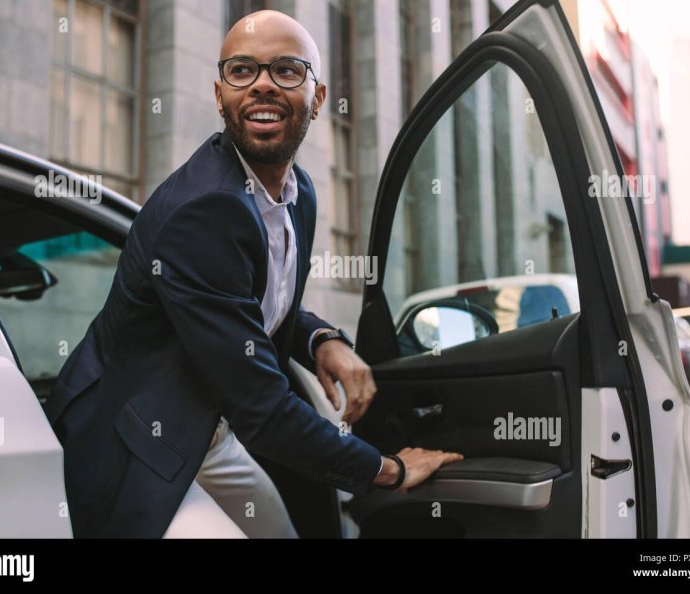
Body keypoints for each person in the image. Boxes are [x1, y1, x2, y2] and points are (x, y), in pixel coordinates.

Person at [44, 9, 463, 539]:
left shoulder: (299, 192)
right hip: (137, 435)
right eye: (242, 70)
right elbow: (264, 409)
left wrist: (318, 339)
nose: (263, 85)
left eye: (287, 70)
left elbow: (251, 299)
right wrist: (388, 470)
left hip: (211, 430)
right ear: (220, 94)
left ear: (317, 95)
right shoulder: (201, 213)